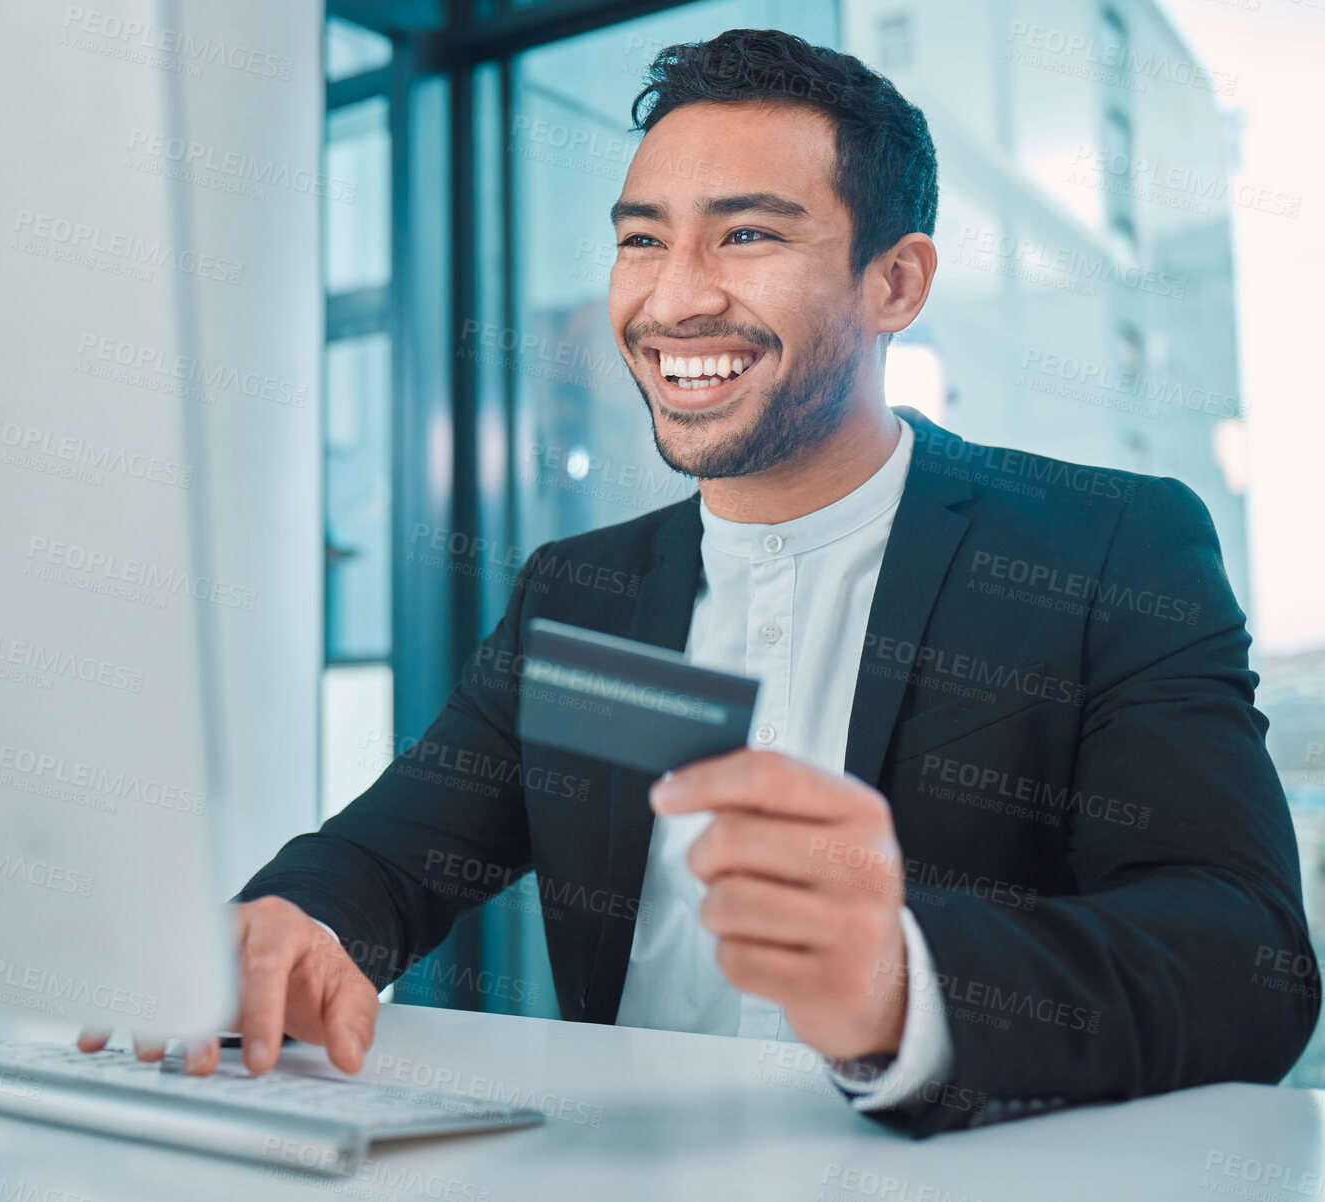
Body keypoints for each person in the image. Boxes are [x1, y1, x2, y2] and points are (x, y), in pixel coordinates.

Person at [82, 27, 1319, 1134]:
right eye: (638, 241)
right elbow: (395, 852)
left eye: (746, 233)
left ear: (895, 282)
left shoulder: (1105, 547)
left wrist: (902, 980)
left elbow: (1245, 953)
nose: (672, 299)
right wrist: (296, 918)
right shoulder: (580, 593)